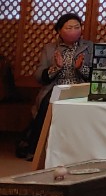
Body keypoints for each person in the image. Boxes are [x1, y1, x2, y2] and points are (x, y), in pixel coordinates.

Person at [16, 13, 92, 160]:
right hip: (56, 87)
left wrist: (81, 68)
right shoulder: (50, 48)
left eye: (77, 27)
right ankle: (35, 149)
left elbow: (96, 75)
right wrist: (56, 68)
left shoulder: (89, 47)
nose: (74, 30)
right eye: (69, 28)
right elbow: (39, 76)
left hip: (80, 87)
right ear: (59, 30)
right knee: (46, 105)